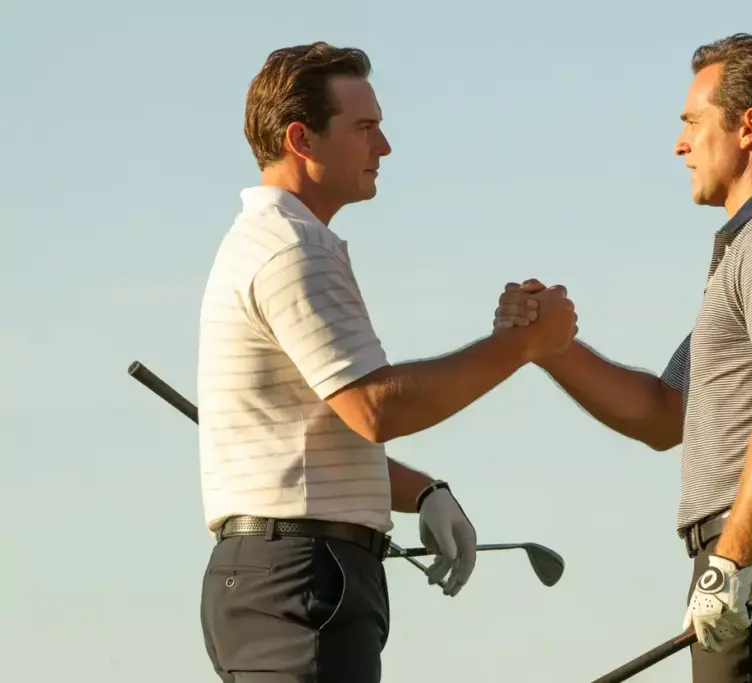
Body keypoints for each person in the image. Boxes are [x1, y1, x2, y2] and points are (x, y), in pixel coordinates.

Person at [196, 42, 577, 683]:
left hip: (281, 576)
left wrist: (420, 490)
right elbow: (377, 407)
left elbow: (319, 429)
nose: (385, 147)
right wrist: (523, 347)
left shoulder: (272, 240)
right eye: (365, 128)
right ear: (302, 139)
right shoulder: (295, 250)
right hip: (303, 576)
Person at [494, 33, 752, 683]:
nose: (680, 144)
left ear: (748, 125)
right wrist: (547, 348)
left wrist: (733, 560)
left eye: (692, 122)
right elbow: (664, 414)